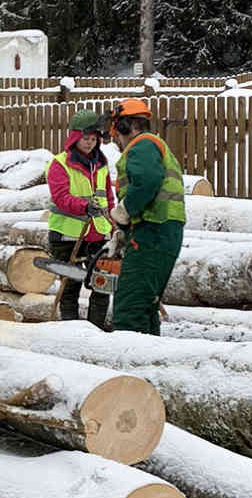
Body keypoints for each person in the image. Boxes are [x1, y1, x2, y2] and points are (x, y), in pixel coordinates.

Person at [105, 98, 186, 336]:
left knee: (130, 307)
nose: (117, 142)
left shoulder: (142, 145)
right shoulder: (153, 145)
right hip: (158, 230)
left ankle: (128, 367)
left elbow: (147, 182)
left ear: (123, 127)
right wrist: (125, 230)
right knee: (146, 306)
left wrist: (124, 210)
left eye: (117, 135)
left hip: (153, 232)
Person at [45, 109, 115, 327]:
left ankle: (95, 328)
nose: (90, 143)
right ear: (75, 137)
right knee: (70, 285)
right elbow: (61, 196)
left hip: (98, 233)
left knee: (103, 285)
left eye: (94, 139)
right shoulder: (59, 164)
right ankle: (71, 328)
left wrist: (113, 221)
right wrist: (84, 206)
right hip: (68, 234)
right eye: (86, 138)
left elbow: (108, 196)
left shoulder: (101, 165)